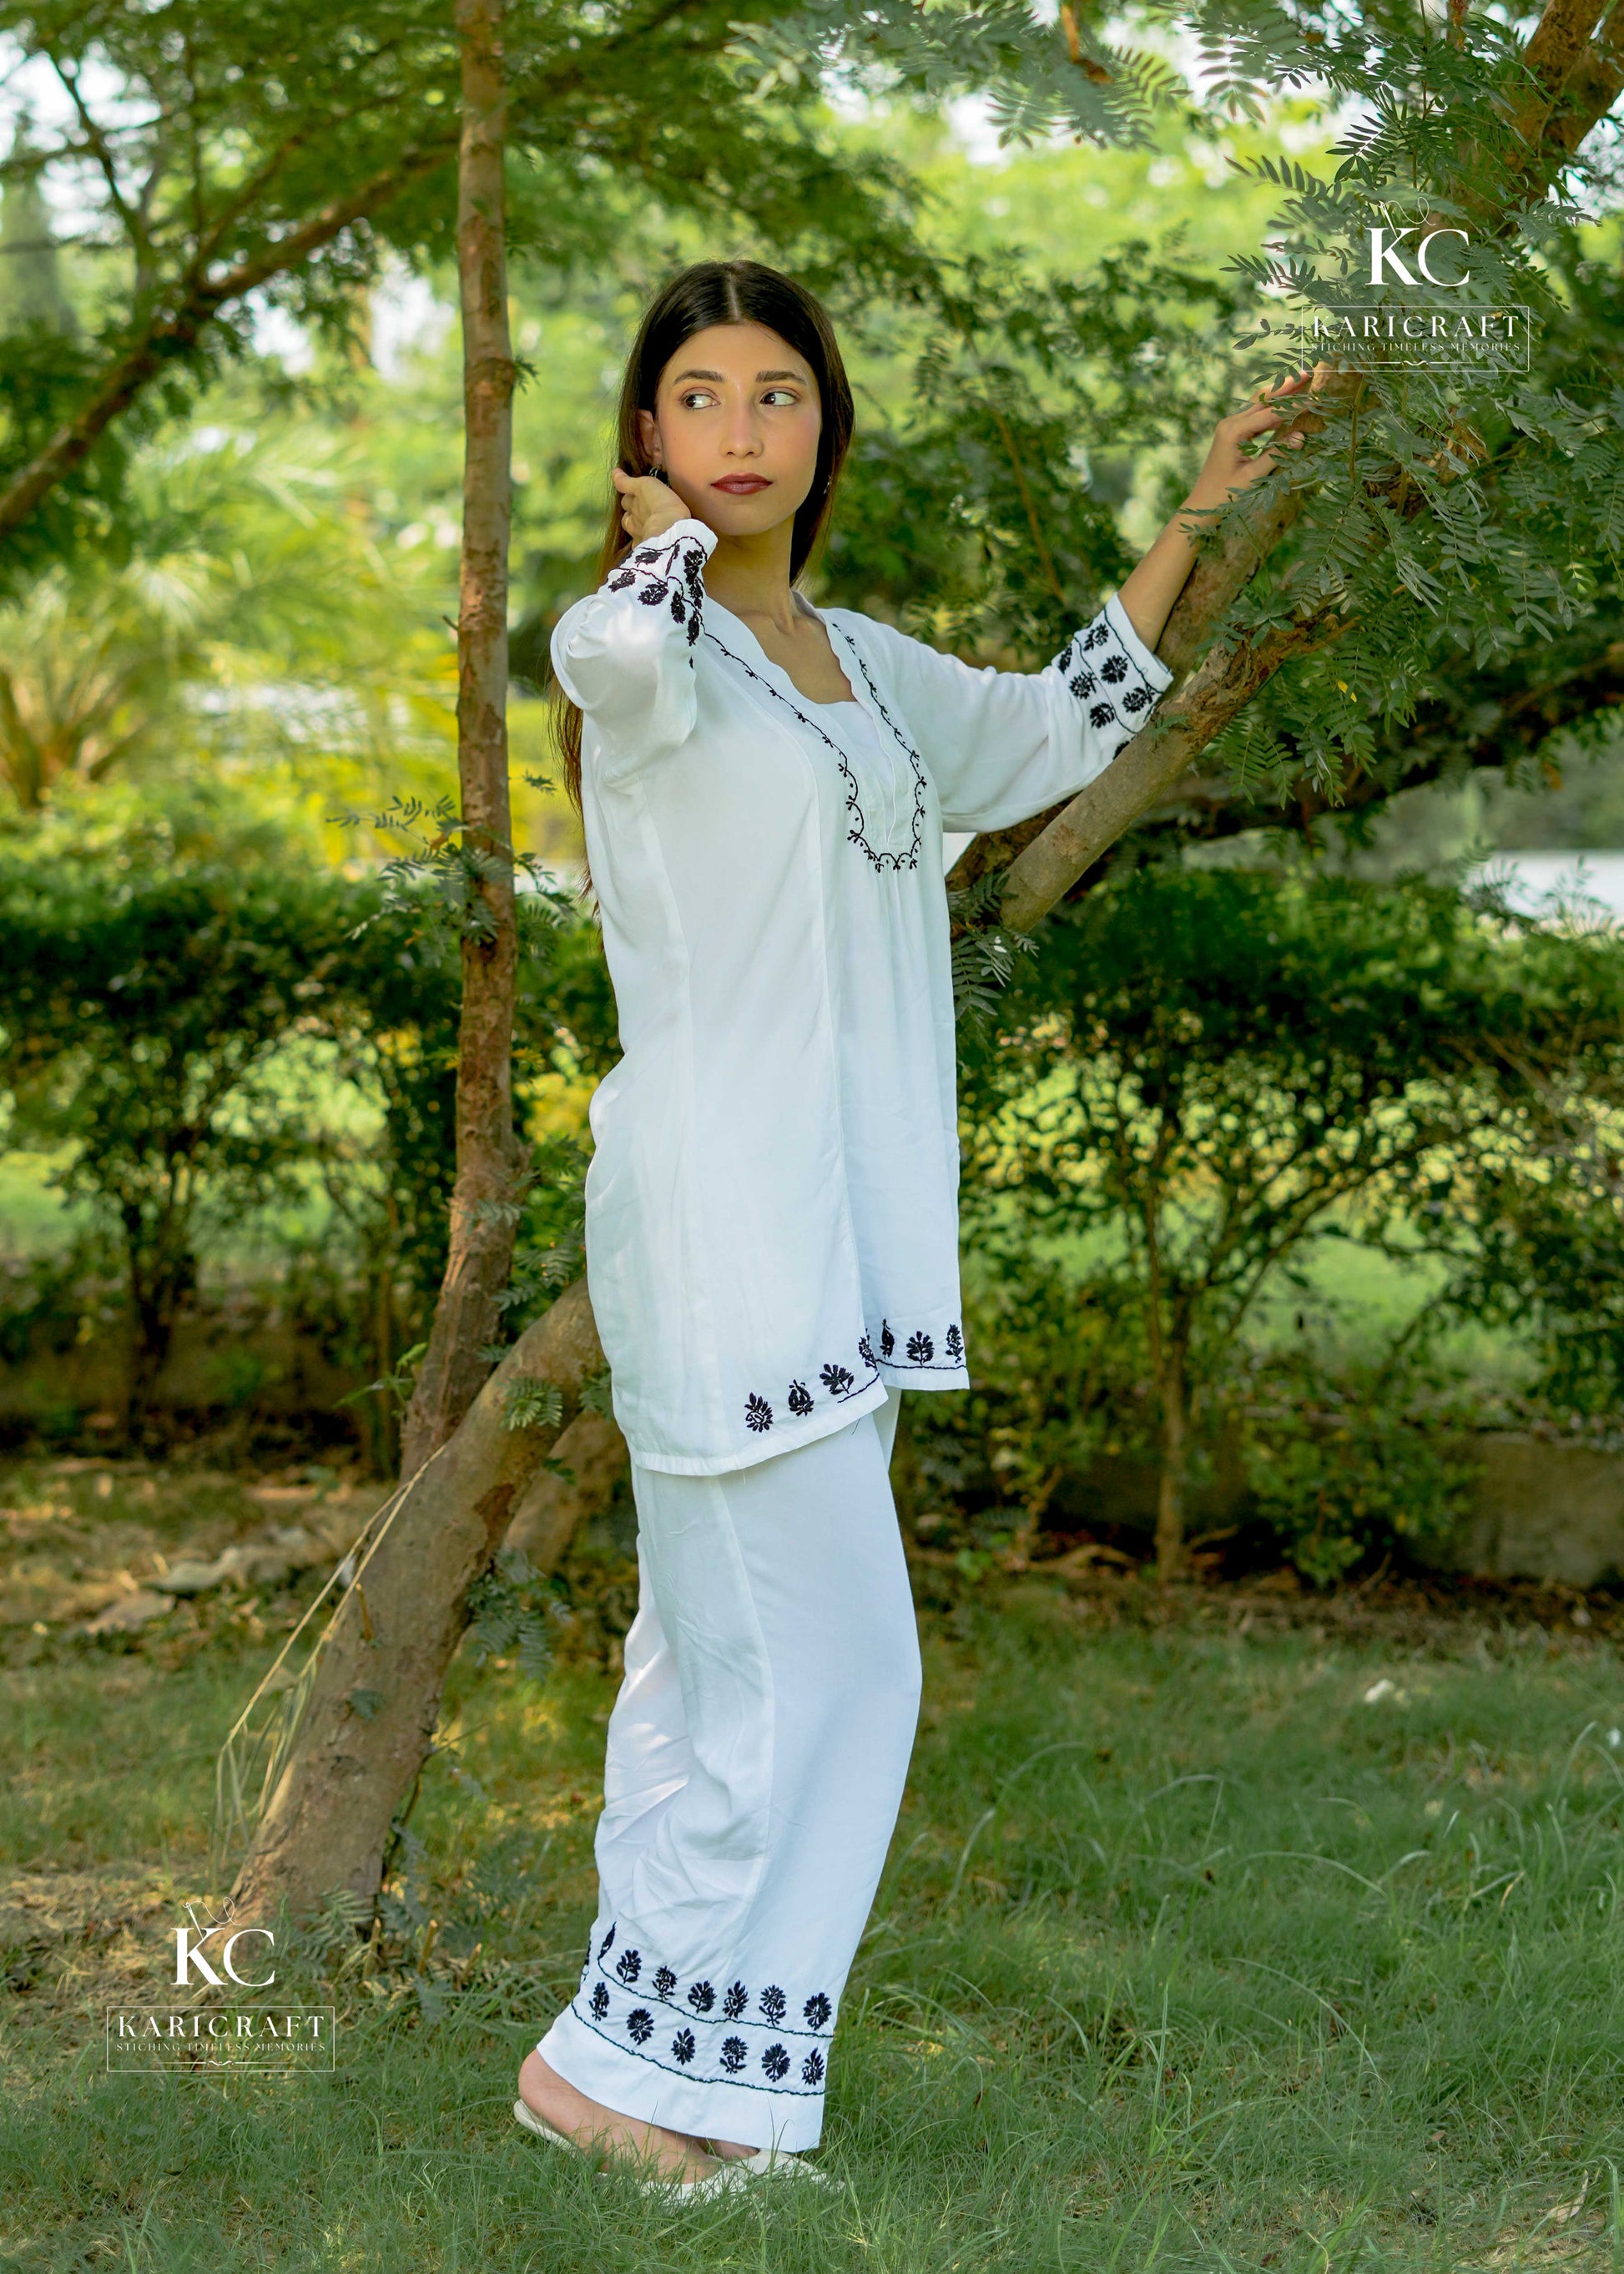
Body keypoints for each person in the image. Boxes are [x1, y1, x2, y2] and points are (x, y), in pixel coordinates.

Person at [517, 258, 1318, 2200]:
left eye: (774, 394)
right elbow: (599, 669)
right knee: (843, 1669)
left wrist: (1207, 511)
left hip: (843, 1242)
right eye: (695, 397)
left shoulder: (866, 668)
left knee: (708, 1663)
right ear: (646, 441)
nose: (737, 429)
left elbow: (1048, 735)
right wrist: (643, 569)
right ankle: (686, 2092)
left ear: (822, 429)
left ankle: (611, 2075)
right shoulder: (644, 656)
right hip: (723, 1228)